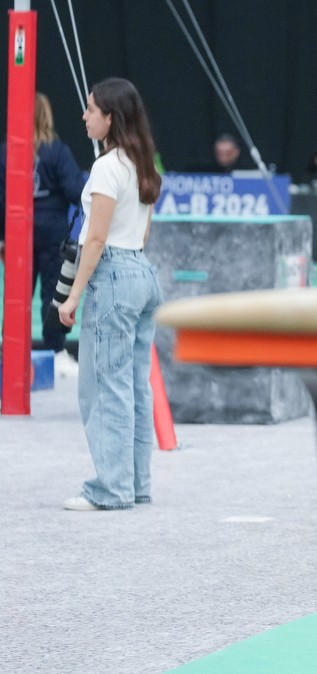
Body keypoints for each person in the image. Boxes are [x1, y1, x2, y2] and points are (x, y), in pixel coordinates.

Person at [58, 78, 164, 511]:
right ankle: (135, 484)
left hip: (114, 273)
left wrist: (73, 296)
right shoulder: (143, 163)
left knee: (104, 387)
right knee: (134, 386)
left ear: (110, 118)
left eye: (91, 109)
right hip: (141, 271)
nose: (84, 116)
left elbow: (96, 238)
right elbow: (144, 230)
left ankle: (111, 488)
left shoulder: (106, 167)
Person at [0, 93, 88, 375]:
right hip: (51, 232)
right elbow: (76, 191)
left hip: (18, 231)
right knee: (54, 291)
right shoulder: (58, 151)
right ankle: (56, 352)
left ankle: (9, 351)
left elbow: (1, 196)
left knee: (16, 294)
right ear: (47, 116)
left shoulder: (8, 151)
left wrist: (2, 237)